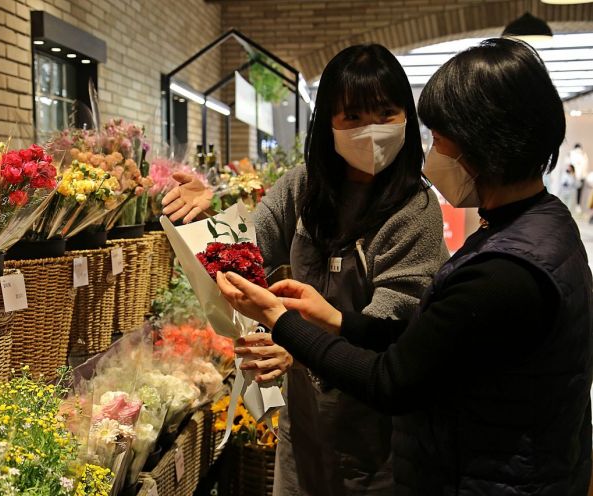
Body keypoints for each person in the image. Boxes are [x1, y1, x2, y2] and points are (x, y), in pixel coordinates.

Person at [216, 37, 593, 495]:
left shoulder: (503, 271)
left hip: (474, 472)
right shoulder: (538, 225)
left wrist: (284, 325)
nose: (432, 148)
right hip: (466, 458)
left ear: (485, 140)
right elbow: (416, 340)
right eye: (352, 117)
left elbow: (391, 377)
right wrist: (332, 319)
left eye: (441, 134)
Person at [163, 44, 447, 495]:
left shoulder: (415, 210)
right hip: (305, 431)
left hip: (380, 443)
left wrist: (293, 342)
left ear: (406, 119)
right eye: (352, 117)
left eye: (385, 113)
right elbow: (243, 254)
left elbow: (391, 336)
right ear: (327, 123)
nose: (370, 131)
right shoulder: (303, 187)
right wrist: (207, 218)